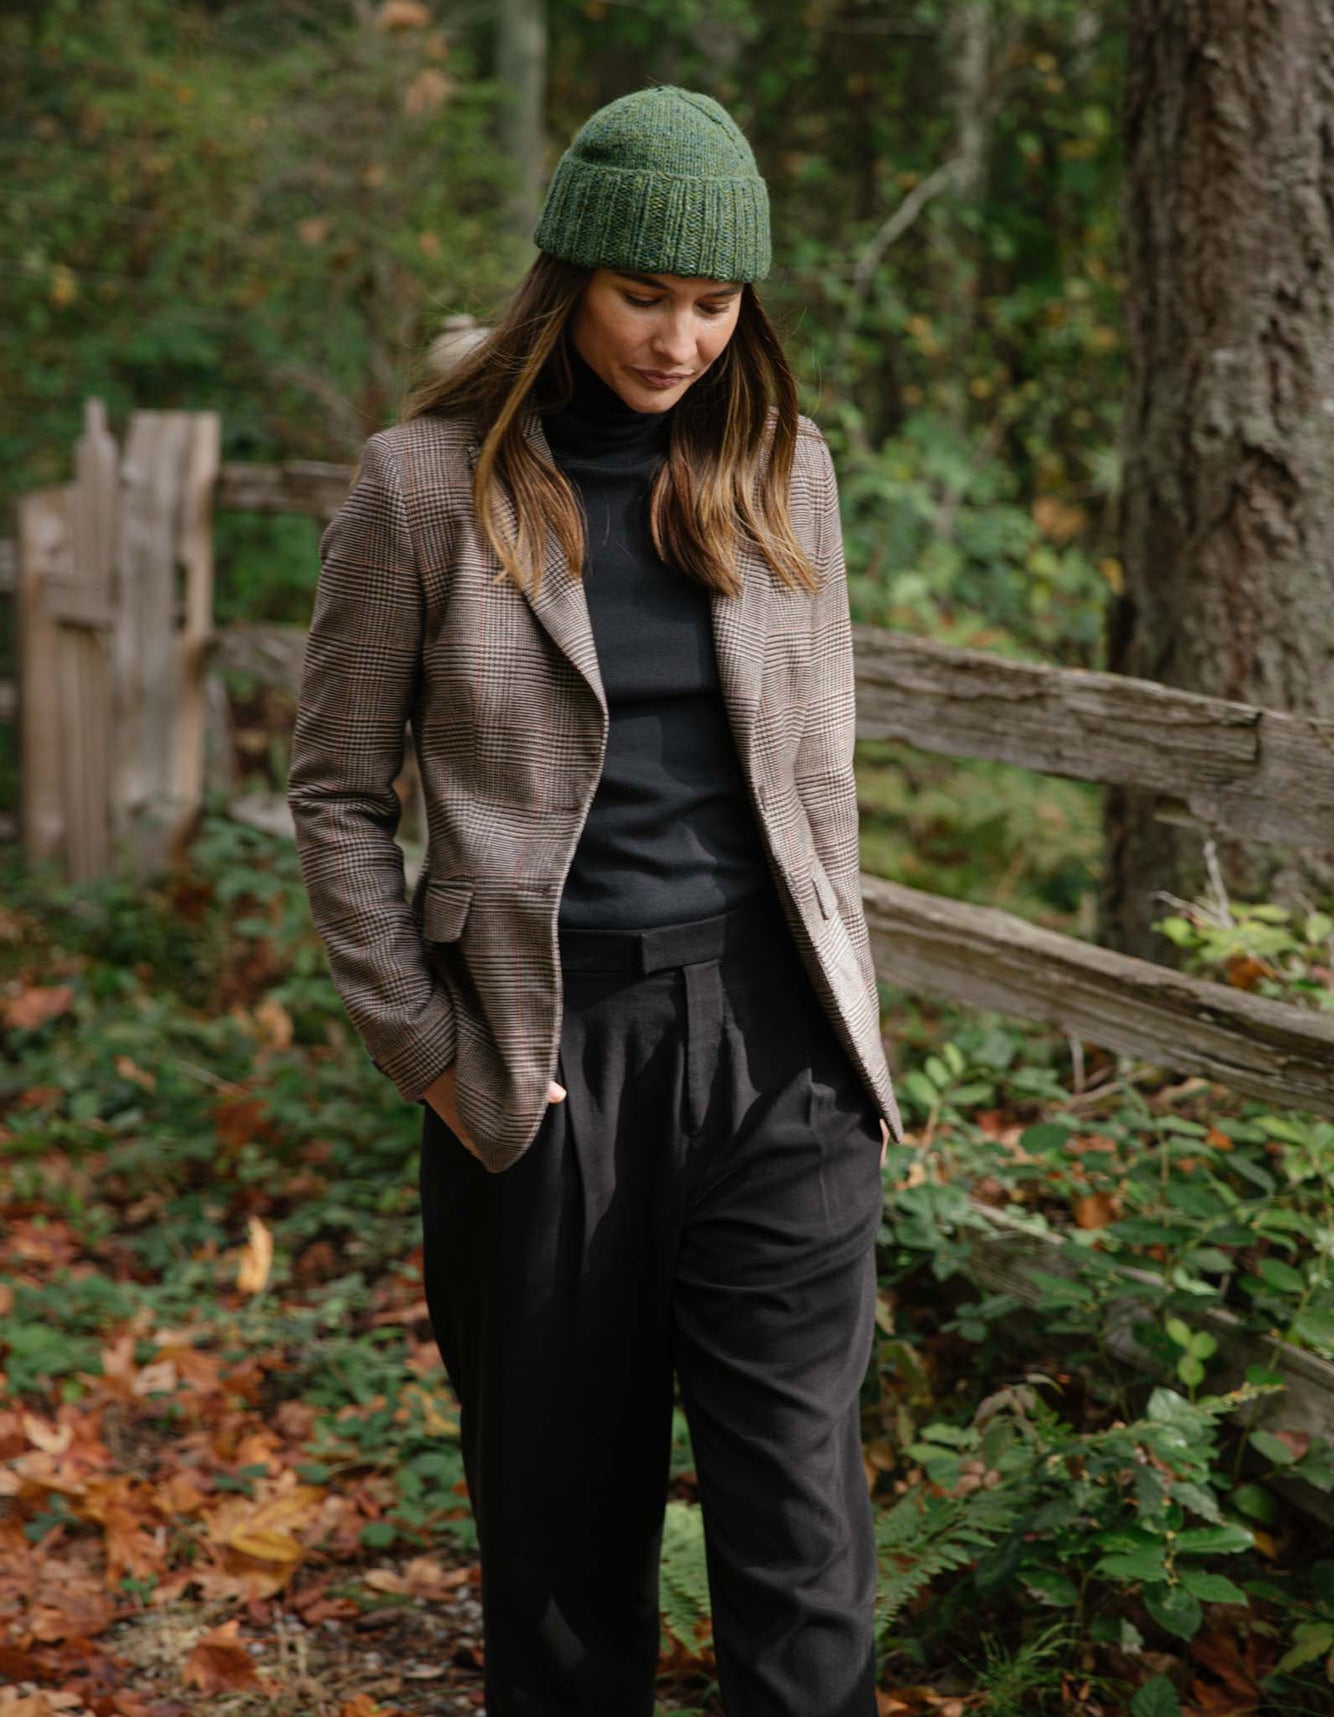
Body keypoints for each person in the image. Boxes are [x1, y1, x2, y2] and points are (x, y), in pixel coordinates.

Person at [287, 82, 904, 1717]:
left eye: (715, 304)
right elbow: (339, 794)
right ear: (566, 280)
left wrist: (852, 1045)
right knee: (563, 1572)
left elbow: (818, 788)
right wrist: (430, 1052)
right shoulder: (424, 489)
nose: (681, 339)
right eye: (647, 296)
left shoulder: (786, 471)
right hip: (546, 1063)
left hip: (778, 1058)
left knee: (804, 1556)